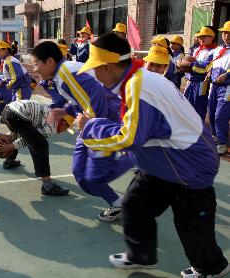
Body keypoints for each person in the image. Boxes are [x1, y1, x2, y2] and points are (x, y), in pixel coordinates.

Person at [77, 32, 229, 277]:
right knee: (134, 205)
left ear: (108, 66)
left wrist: (89, 127)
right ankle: (142, 255)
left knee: (192, 225)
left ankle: (212, 268)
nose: (94, 74)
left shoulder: (139, 86)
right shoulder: (137, 79)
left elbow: (130, 137)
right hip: (163, 160)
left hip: (187, 163)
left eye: (96, 68)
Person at [31, 41, 132, 220]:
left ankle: (134, 167)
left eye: (36, 63)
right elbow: (82, 99)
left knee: (92, 177)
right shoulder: (62, 75)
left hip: (102, 127)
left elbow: (98, 94)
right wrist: (66, 111)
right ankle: (119, 201)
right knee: (81, 175)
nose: (34, 68)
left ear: (50, 62)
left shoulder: (66, 73)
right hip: (93, 127)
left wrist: (92, 125)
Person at [0, 100, 72, 195]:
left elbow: (26, 135)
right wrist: (10, 147)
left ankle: (9, 160)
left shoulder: (50, 112)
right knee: (41, 144)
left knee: (24, 133)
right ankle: (48, 186)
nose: (66, 130)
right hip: (18, 115)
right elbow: (28, 141)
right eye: (67, 128)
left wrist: (9, 141)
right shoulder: (52, 125)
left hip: (8, 111)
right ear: (63, 123)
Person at [180, 26, 218, 121]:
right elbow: (191, 65)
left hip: (202, 83)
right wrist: (186, 70)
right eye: (200, 36)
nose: (201, 39)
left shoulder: (215, 51)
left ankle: (199, 130)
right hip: (191, 82)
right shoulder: (197, 50)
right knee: (186, 106)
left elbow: (206, 67)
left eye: (204, 36)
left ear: (212, 37)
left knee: (199, 108)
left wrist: (188, 64)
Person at [208, 21, 230, 155]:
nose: (226, 35)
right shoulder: (218, 49)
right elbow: (213, 64)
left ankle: (222, 143)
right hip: (214, 86)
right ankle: (216, 137)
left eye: (229, 33)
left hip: (227, 86)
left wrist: (227, 74)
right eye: (225, 33)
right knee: (211, 112)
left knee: (220, 115)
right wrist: (209, 72)